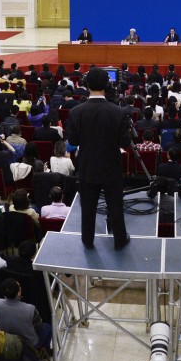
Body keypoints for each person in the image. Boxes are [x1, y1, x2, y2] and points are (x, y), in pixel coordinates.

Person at [65, 67, 132, 250]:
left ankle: (88, 240)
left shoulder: (76, 112)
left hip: (87, 167)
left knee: (88, 208)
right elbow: (125, 142)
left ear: (86, 85)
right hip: (111, 166)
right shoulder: (118, 112)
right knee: (115, 206)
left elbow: (72, 140)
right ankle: (120, 240)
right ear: (107, 85)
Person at [0, 278, 52, 351]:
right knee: (48, 327)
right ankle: (46, 351)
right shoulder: (30, 309)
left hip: (8, 340)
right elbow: (38, 326)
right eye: (19, 286)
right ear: (19, 293)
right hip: (29, 344)